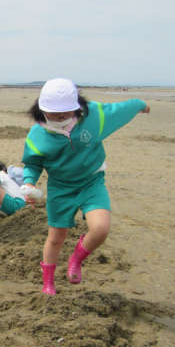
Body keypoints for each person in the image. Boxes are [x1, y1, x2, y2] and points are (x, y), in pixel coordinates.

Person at [21, 78, 150, 295]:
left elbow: (119, 110)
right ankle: (48, 283)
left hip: (92, 182)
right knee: (56, 237)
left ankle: (76, 260)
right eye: (54, 112)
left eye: (66, 111)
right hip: (60, 188)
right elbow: (32, 164)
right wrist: (28, 182)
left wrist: (140, 104)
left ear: (77, 106)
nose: (61, 116)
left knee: (100, 228)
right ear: (42, 108)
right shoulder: (37, 135)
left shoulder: (93, 117)